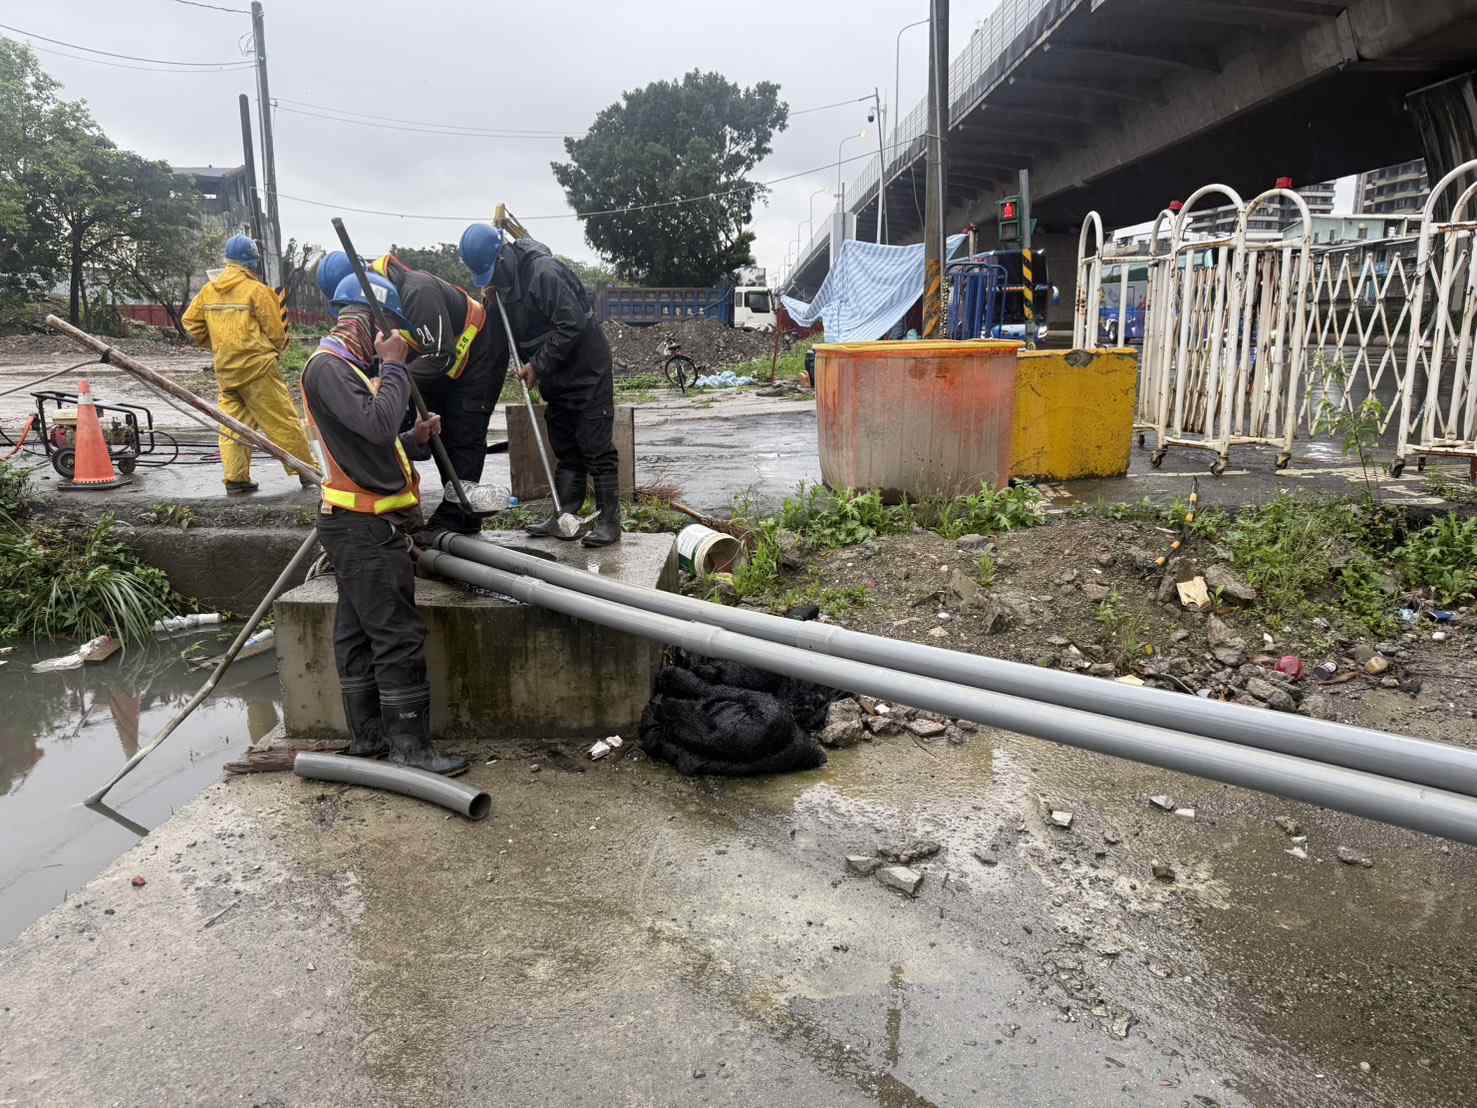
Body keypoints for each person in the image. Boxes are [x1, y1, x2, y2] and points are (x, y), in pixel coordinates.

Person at [300, 270, 465, 776]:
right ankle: (410, 748)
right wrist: (395, 367)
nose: (389, 339)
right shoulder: (329, 368)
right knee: (397, 636)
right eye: (387, 327)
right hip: (363, 527)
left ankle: (369, 739)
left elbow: (373, 441)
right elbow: (375, 424)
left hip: (358, 524)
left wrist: (413, 438)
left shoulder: (346, 368)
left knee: (357, 632)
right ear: (368, 320)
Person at [458, 223, 622, 547]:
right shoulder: (503, 286)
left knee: (595, 445)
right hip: (556, 372)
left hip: (586, 367)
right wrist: (492, 299)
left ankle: (609, 522)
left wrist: (537, 365)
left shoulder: (543, 274)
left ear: (502, 256)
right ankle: (564, 514)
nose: (491, 280)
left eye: (492, 274)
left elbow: (572, 324)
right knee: (565, 444)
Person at [183, 234, 315, 496]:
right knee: (282, 421)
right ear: (252, 261)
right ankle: (308, 471)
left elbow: (191, 322)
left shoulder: (209, 290)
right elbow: (276, 333)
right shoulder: (257, 290)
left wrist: (219, 344)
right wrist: (271, 350)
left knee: (232, 425)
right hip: (258, 369)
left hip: (226, 370)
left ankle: (236, 479)